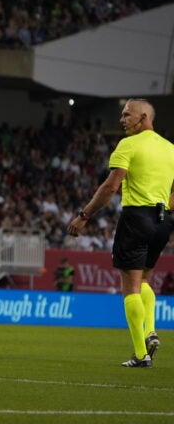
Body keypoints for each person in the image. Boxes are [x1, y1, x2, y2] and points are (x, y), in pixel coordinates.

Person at [67, 98, 173, 368]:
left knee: (130, 287)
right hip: (163, 220)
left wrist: (84, 215)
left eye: (128, 115)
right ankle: (150, 330)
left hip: (137, 217)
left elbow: (111, 186)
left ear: (144, 117)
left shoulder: (127, 145)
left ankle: (140, 354)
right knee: (145, 279)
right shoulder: (170, 148)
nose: (122, 120)